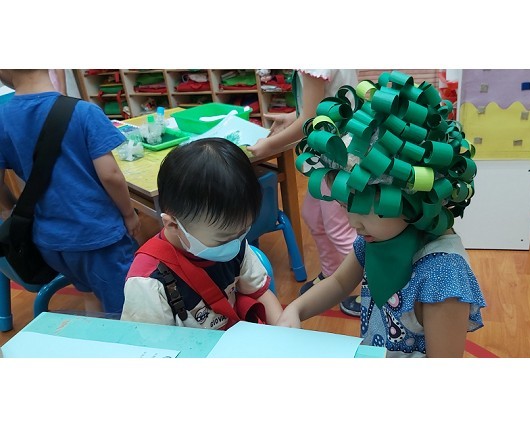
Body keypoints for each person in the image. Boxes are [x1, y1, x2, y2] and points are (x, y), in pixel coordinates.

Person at [277, 70, 486, 357]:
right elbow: (339, 282)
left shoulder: (443, 277)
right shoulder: (377, 237)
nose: (353, 223)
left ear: (410, 195)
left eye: (365, 210)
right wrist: (296, 309)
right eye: (345, 207)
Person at [0, 69, 140, 314]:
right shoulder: (84, 111)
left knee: (89, 293)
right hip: (98, 235)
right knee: (125, 303)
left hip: (50, 241)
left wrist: (12, 208)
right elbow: (110, 175)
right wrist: (129, 214)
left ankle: (96, 332)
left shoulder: (3, 118)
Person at [120, 138, 283, 329]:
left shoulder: (233, 241)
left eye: (242, 232)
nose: (234, 243)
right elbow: (154, 345)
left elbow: (259, 293)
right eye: (222, 239)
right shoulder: (148, 284)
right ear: (173, 225)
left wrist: (284, 332)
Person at [248, 69, 360, 316]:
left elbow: (310, 119)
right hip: (330, 149)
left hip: (337, 153)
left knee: (339, 230)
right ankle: (331, 273)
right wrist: (293, 116)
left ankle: (366, 291)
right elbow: (326, 102)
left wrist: (269, 145)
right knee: (313, 215)